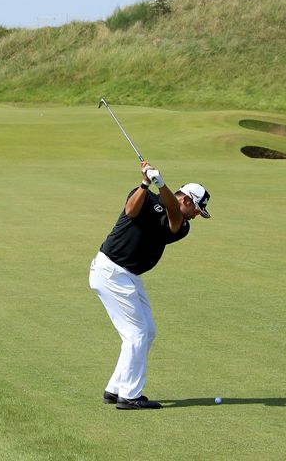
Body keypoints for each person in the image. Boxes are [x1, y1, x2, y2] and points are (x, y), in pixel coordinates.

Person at [89, 161, 211, 410]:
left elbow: (174, 216)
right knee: (137, 333)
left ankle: (115, 388)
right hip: (112, 271)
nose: (197, 215)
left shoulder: (182, 225)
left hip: (129, 276)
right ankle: (129, 396)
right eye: (197, 209)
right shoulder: (142, 197)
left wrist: (161, 183)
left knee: (148, 331)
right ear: (187, 199)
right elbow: (130, 210)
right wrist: (146, 183)